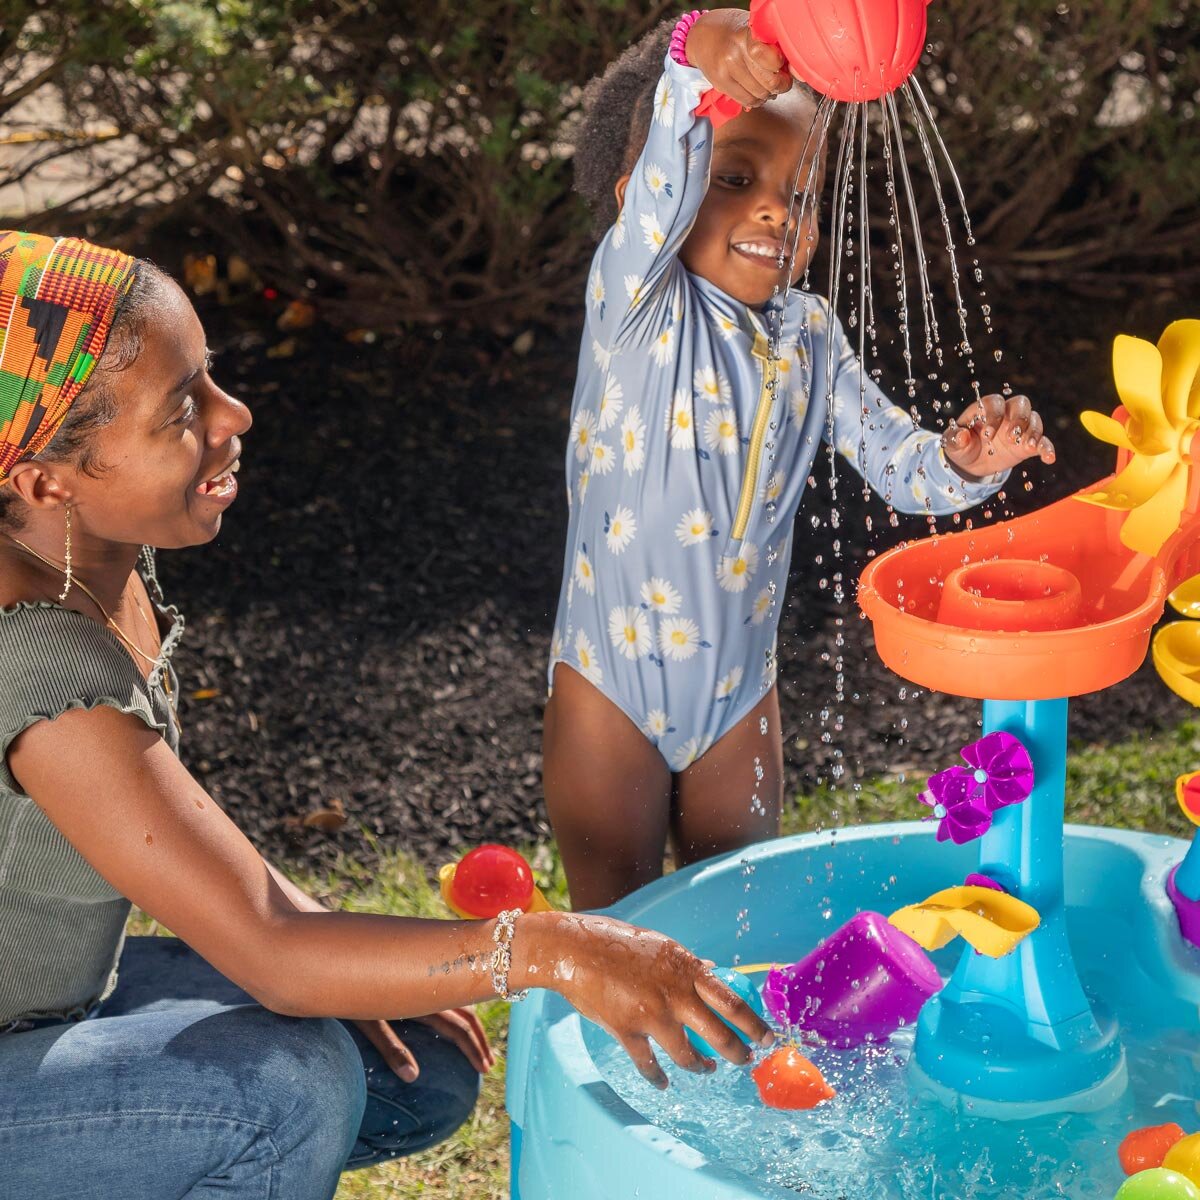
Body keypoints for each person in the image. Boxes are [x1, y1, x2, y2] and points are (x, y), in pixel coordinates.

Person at [0, 230, 771, 1200]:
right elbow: (274, 952)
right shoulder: (33, 655)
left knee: (406, 1068)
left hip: (42, 1010)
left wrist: (333, 949)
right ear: (44, 481)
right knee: (287, 1095)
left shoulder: (91, 552)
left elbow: (175, 841)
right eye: (182, 410)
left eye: (213, 376)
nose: (234, 413)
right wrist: (553, 947)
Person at [543, 10, 1058, 910]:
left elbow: (901, 465)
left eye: (803, 192)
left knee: (740, 915)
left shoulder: (810, 337)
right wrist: (700, 51)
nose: (777, 208)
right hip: (608, 690)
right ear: (644, 198)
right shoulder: (638, 300)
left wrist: (969, 459)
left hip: (740, 695)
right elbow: (675, 140)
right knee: (614, 930)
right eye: (736, 178)